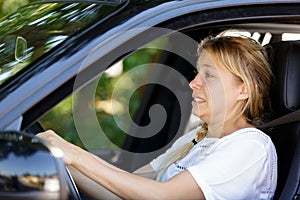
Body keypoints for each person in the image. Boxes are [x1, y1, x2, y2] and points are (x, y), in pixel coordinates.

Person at [37, 31, 277, 199]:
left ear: (242, 90)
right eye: (197, 73)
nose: (193, 83)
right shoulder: (197, 138)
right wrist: (60, 160)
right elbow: (123, 190)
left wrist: (76, 155)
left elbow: (162, 196)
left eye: (209, 76)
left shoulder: (250, 147)